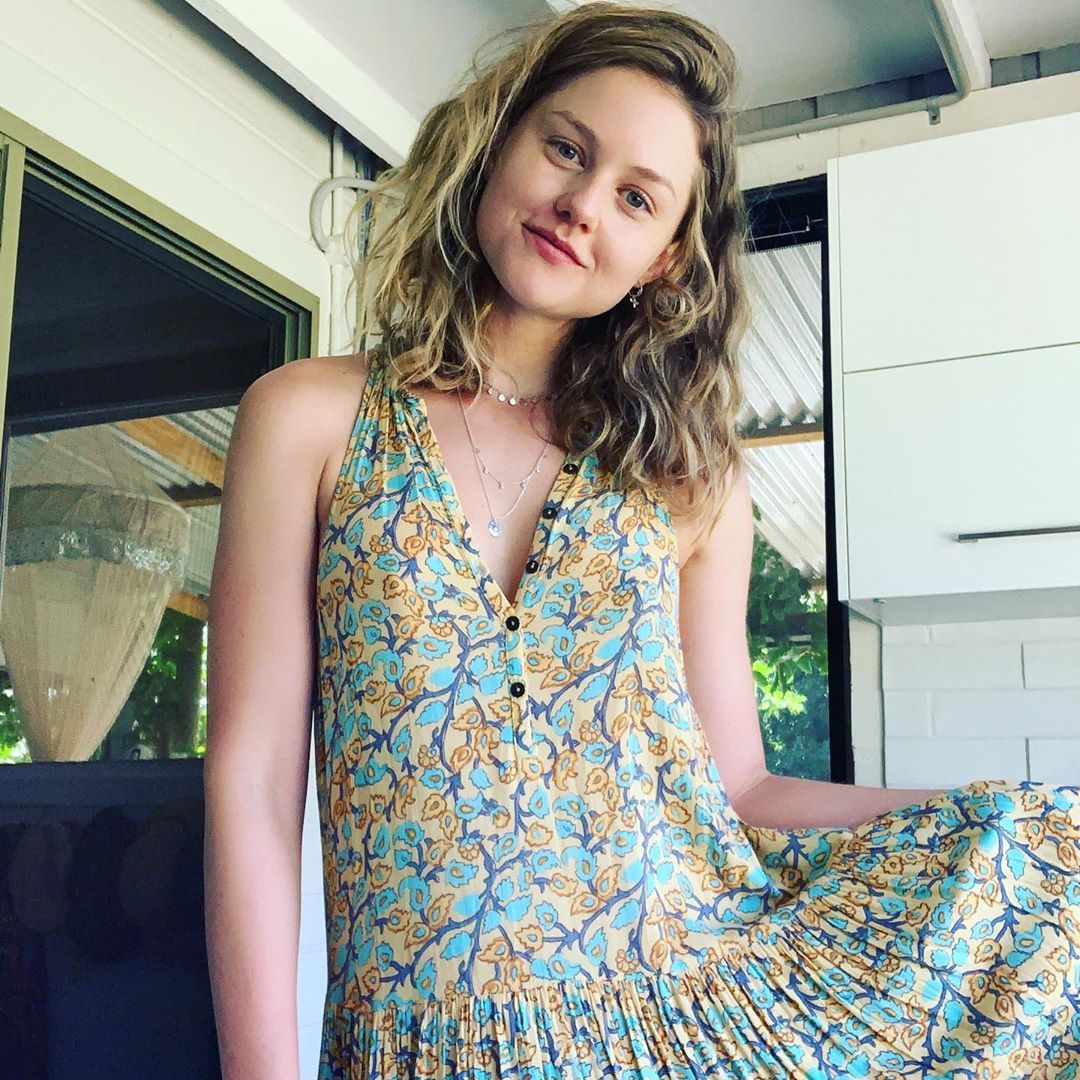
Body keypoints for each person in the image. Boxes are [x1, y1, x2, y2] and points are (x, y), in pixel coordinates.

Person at [204, 3, 1080, 1077]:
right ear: (498, 143)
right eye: (566, 149)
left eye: (635, 197)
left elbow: (743, 788)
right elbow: (254, 783)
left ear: (666, 257)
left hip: (681, 1023)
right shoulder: (307, 418)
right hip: (420, 1048)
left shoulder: (690, 481)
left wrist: (986, 821)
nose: (580, 206)